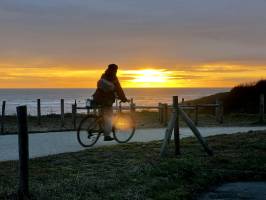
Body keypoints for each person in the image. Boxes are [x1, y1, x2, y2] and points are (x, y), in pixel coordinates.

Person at [92, 64, 128, 141]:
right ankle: (106, 136)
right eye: (116, 70)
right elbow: (119, 89)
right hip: (106, 101)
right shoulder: (114, 78)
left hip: (97, 98)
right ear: (115, 70)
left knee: (102, 116)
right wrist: (124, 98)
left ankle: (100, 128)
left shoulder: (104, 75)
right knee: (109, 118)